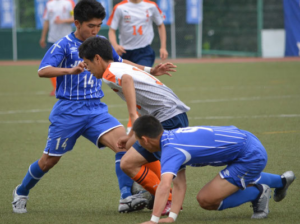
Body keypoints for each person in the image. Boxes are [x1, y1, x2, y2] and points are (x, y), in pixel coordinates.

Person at [12, 0, 175, 214]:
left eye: (99, 26)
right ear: (77, 23)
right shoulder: (63, 44)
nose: (95, 30)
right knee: (49, 161)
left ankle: (126, 197)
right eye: (91, 26)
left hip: (96, 110)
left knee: (124, 146)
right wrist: (69, 71)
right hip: (68, 110)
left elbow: (119, 61)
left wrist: (149, 70)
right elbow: (43, 71)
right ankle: (21, 191)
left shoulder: (99, 42)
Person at [78, 36, 189, 215]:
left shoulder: (109, 74)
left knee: (129, 163)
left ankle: (167, 199)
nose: (87, 68)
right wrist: (131, 136)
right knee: (131, 156)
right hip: (172, 114)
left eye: (87, 63)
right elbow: (132, 75)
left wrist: (132, 115)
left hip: (168, 117)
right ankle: (165, 196)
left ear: (97, 58)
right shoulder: (118, 66)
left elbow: (128, 79)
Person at [132, 115, 296, 224]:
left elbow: (165, 185)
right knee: (242, 176)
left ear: (145, 139)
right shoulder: (169, 137)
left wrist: (153, 220)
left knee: (206, 200)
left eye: (138, 140)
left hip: (250, 156)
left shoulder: (170, 150)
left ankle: (258, 192)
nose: (138, 144)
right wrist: (171, 217)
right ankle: (280, 181)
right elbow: (179, 184)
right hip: (246, 140)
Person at [107, 0, 169, 132]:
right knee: (128, 87)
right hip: (125, 53)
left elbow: (161, 25)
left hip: (144, 52)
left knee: (139, 84)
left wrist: (163, 47)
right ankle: (138, 119)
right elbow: (111, 30)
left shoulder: (151, 6)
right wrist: (115, 46)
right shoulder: (120, 8)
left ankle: (133, 125)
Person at [39, 0, 76, 96]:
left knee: (68, 64)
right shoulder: (49, 4)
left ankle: (69, 86)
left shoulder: (69, 3)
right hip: (52, 39)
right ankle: (56, 88)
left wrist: (62, 21)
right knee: (50, 65)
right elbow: (46, 21)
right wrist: (43, 37)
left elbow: (75, 18)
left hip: (66, 39)